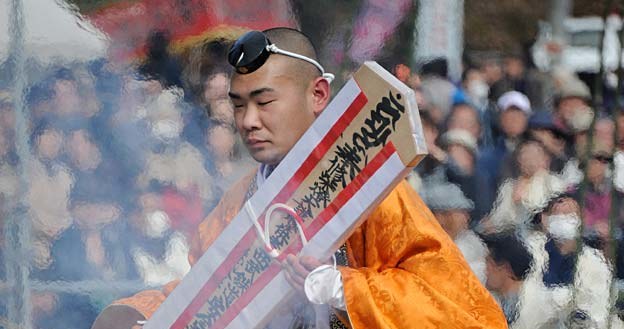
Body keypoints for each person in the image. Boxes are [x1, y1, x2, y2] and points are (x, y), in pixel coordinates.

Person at [98, 27, 506, 329]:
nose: (248, 122)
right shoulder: (240, 202)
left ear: (318, 96)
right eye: (238, 105)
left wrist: (343, 288)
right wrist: (146, 315)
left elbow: (468, 313)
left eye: (265, 101)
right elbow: (206, 293)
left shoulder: (374, 193)